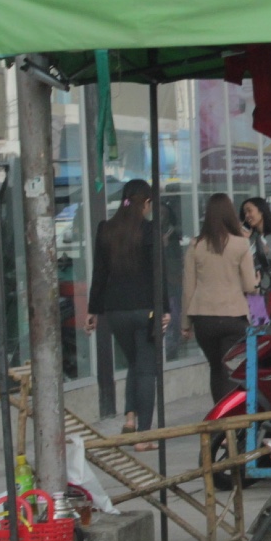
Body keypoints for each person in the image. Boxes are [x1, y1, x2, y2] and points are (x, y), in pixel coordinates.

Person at [87, 180, 167, 444]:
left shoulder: (106, 229)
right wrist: (164, 308)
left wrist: (93, 310)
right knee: (146, 369)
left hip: (115, 311)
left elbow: (99, 272)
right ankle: (144, 435)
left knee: (134, 362)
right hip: (146, 310)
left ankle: (130, 418)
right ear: (145, 203)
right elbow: (159, 273)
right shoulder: (150, 230)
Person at [182, 193, 259, 404]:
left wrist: (185, 324)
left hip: (203, 318)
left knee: (216, 368)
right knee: (231, 370)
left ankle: (220, 420)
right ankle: (229, 427)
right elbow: (249, 285)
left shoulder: (195, 245)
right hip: (233, 316)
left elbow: (189, 287)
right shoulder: (241, 244)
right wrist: (257, 281)